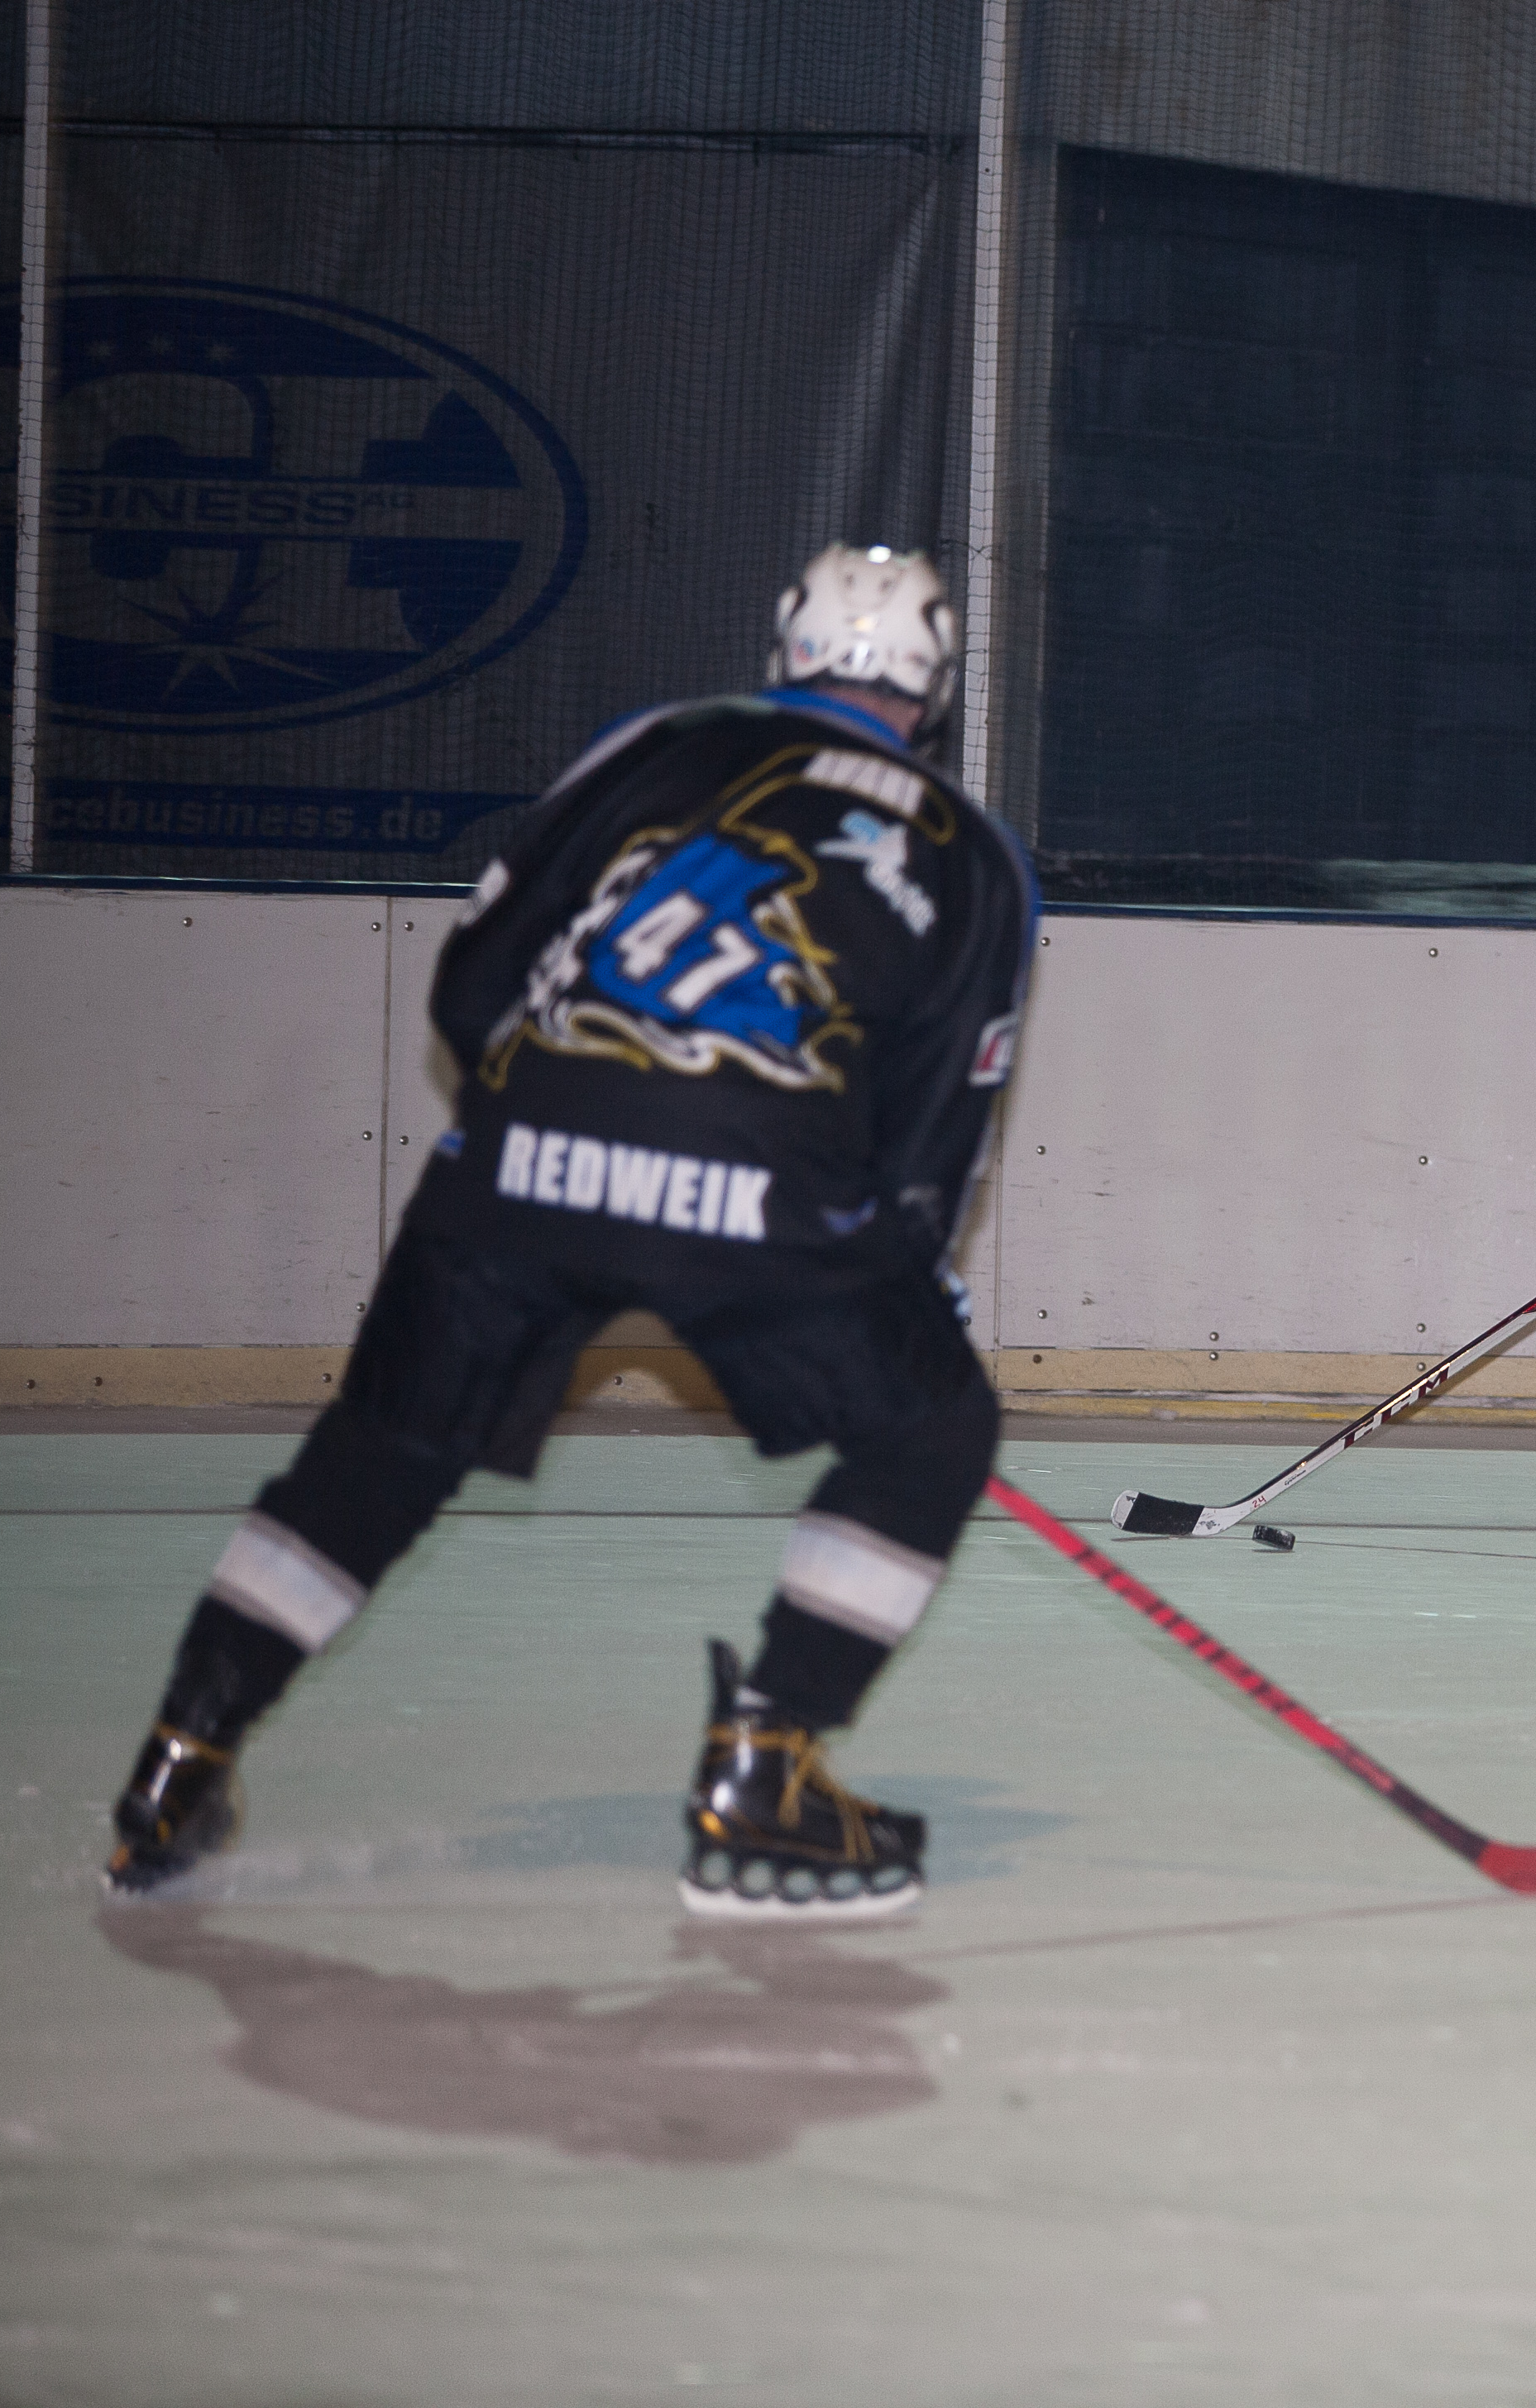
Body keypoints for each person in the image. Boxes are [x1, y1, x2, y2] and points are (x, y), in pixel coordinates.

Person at [103, 545, 1035, 1921]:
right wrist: (904, 1272)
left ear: (785, 648)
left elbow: (475, 978)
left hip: (519, 1166)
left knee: (382, 1451)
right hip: (761, 1186)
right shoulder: (973, 853)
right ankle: (768, 1766)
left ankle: (181, 1759)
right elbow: (932, 1140)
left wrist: (533, 1127)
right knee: (932, 1430)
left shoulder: (654, 745)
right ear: (935, 688)